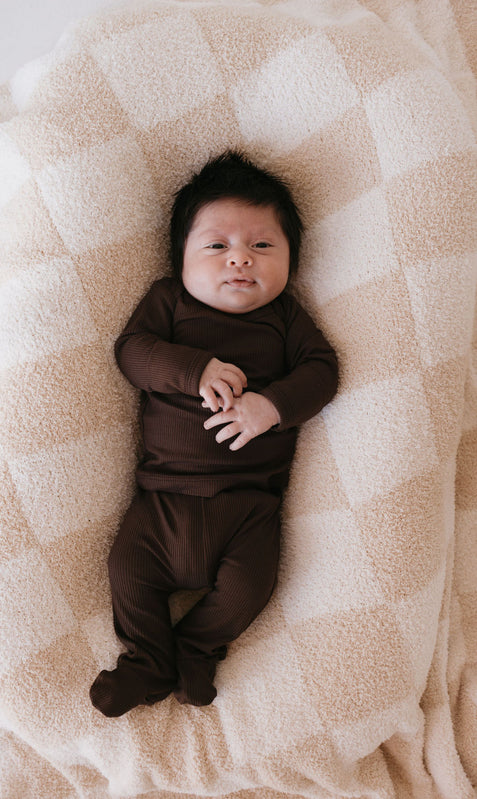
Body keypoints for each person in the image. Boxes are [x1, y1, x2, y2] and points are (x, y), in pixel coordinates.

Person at [90, 151, 338, 717]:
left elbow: (323, 372)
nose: (240, 260)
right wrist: (192, 369)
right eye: (217, 246)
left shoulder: (285, 321)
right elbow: (131, 352)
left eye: (262, 246)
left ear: (291, 259)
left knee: (250, 587)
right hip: (162, 503)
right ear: (180, 258)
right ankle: (149, 660)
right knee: (126, 572)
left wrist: (270, 406)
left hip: (249, 508)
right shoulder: (168, 304)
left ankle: (197, 647)